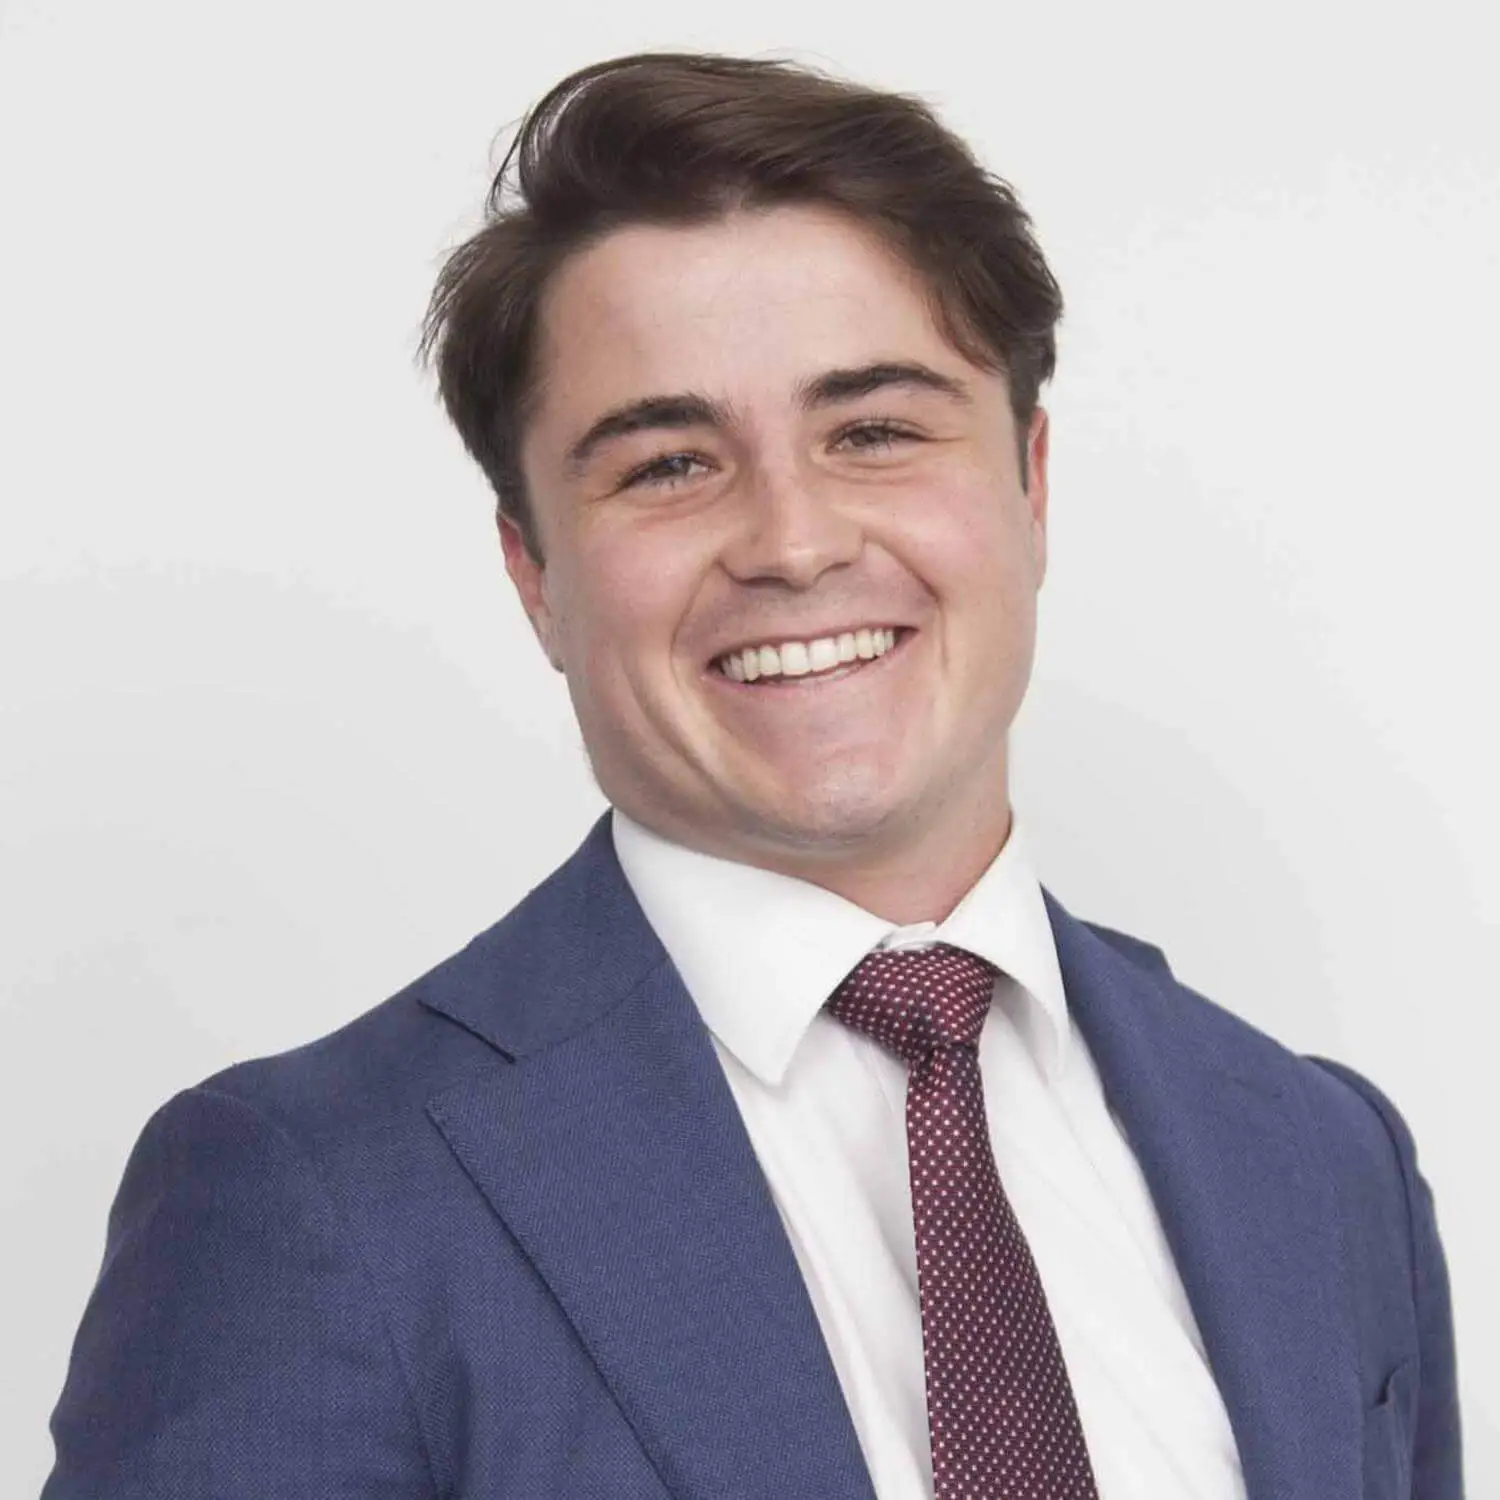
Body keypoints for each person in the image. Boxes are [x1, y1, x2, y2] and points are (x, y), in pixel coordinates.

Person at [43, 51, 1461, 1500]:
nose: (793, 541)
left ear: (1030, 486)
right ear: (533, 572)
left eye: (876, 431)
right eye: (666, 464)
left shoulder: (1319, 1159)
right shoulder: (311, 1198)